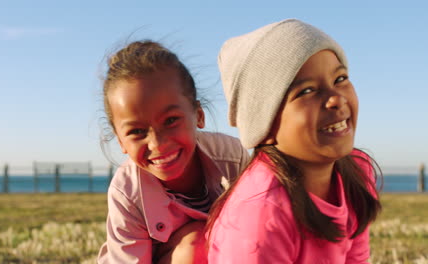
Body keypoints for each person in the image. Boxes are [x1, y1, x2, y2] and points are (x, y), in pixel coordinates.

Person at [207, 19, 382, 263]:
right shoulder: (259, 215)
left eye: (340, 78)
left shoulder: (357, 171)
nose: (336, 99)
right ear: (264, 126)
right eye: (307, 91)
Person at [96, 40, 249, 264]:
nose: (157, 144)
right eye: (137, 131)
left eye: (171, 121)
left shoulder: (233, 159)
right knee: (196, 245)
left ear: (198, 114)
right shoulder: (127, 191)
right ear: (120, 140)